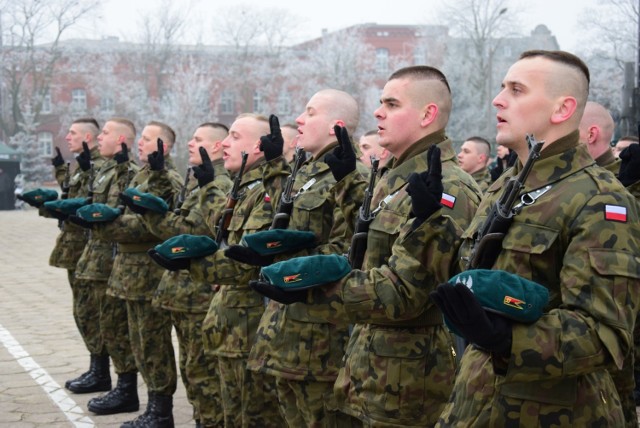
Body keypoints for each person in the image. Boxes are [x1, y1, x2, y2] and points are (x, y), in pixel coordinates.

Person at [252, 66, 482, 426]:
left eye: (391, 104)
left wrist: (310, 289)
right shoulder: (396, 178)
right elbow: (368, 251)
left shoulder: (448, 186)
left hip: (407, 377)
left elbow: (407, 291)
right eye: (380, 103)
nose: (378, 112)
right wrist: (348, 184)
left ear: (427, 114)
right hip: (369, 359)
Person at [431, 50, 640, 426]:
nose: (498, 99)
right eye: (501, 88)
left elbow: (604, 333)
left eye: (516, 89)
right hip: (478, 401)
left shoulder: (599, 197)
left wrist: (508, 338)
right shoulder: (507, 187)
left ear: (562, 109)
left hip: (550, 413)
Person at [230, 90, 367, 427]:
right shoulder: (304, 175)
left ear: (336, 125)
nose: (300, 120)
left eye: (310, 112)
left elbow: (352, 251)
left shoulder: (352, 176)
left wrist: (289, 263)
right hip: (285, 331)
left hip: (320, 342)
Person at [183, 113, 288, 427]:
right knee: (231, 410)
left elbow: (245, 261)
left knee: (250, 414)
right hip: (229, 322)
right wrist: (208, 187)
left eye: (234, 137)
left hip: (249, 327)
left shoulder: (267, 193)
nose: (225, 144)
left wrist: (190, 263)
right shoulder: (244, 189)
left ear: (258, 146)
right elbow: (221, 226)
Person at [90, 121, 184, 427]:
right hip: (128, 272)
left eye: (147, 139)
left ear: (164, 147)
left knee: (152, 342)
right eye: (140, 138)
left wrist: (106, 226)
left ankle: (160, 411)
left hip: (149, 274)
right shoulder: (142, 175)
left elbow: (149, 226)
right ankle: (137, 397)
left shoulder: (168, 179)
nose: (140, 143)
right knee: (134, 339)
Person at [140, 122, 232, 427]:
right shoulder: (200, 180)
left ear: (217, 146)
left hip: (199, 292)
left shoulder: (218, 182)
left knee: (202, 371)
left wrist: (150, 213)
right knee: (193, 367)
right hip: (183, 291)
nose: (190, 143)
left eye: (198, 139)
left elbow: (192, 230)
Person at [72, 118, 141, 416]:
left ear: (122, 139)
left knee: (116, 327)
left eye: (106, 133)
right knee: (94, 319)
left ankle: (125, 388)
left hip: (115, 263)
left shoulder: (131, 173)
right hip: (96, 259)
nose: (99, 137)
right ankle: (102, 373)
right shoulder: (104, 171)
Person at [46, 118, 107, 393]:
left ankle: (101, 371)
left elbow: (91, 200)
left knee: (90, 312)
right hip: (75, 247)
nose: (66, 137)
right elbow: (73, 189)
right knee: (83, 312)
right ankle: (97, 368)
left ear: (87, 137)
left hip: (88, 247)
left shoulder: (97, 165)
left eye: (72, 133)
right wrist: (60, 169)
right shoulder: (82, 164)